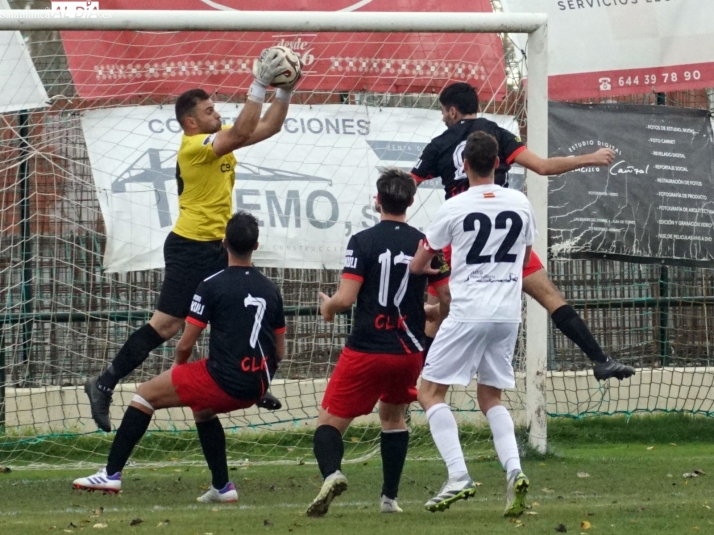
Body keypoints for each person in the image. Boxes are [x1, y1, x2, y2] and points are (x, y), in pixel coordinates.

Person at [84, 49, 298, 432]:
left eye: (216, 109)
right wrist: (260, 84)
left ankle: (254, 383)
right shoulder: (194, 148)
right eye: (210, 110)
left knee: (241, 310)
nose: (217, 114)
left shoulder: (218, 142)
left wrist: (284, 92)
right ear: (190, 121)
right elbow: (246, 129)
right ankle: (104, 382)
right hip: (190, 247)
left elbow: (268, 128)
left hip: (217, 247)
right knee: (166, 327)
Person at [412, 82, 635, 382]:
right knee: (550, 295)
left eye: (442, 112)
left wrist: (384, 201)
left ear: (452, 110)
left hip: (462, 233)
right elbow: (542, 167)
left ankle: (414, 386)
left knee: (437, 312)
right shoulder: (497, 134)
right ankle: (600, 358)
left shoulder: (438, 145)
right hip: (505, 232)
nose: (442, 118)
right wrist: (589, 158)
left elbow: (408, 184)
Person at [73, 212, 285, 502]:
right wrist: (259, 383)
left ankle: (110, 475)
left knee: (145, 395)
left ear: (223, 243)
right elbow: (280, 351)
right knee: (203, 409)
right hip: (258, 383)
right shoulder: (271, 290)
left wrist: (177, 371)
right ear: (256, 247)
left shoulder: (211, 285)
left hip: (226, 381)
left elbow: (185, 344)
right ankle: (222, 488)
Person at [306, 169, 451, 517]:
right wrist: (432, 314)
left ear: (377, 200)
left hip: (367, 347)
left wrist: (327, 307)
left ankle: (333, 474)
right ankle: (389, 499)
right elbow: (446, 299)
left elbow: (345, 298)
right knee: (394, 416)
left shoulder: (362, 241)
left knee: (328, 424)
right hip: (408, 351)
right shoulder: (426, 244)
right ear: (411, 202)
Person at [410, 132, 535, 516]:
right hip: (508, 313)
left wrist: (429, 266)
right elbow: (525, 253)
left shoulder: (455, 205)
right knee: (490, 397)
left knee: (429, 392)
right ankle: (514, 471)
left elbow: (420, 262)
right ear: (499, 163)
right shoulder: (520, 201)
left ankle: (459, 474)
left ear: (463, 166)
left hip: (468, 310)